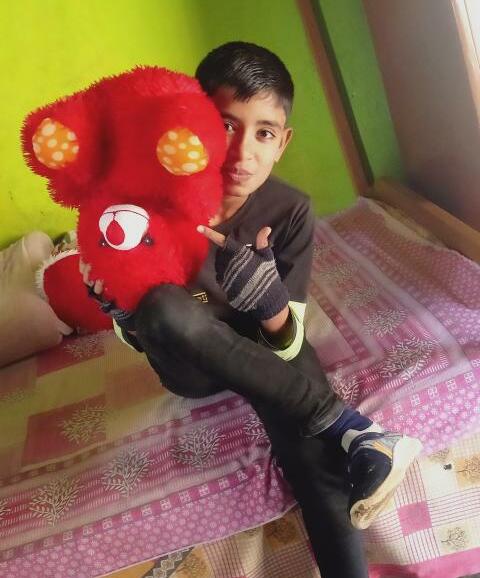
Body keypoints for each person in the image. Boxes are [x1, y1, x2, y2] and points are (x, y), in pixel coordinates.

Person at [82, 41, 422, 578]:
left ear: (283, 142)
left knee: (313, 456)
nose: (243, 153)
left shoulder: (290, 210)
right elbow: (153, 329)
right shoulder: (147, 207)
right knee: (164, 306)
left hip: (265, 350)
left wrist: (268, 304)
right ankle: (347, 423)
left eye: (264, 133)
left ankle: (350, 466)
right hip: (191, 369)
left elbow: (288, 336)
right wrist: (121, 311)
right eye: (225, 126)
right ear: (191, 124)